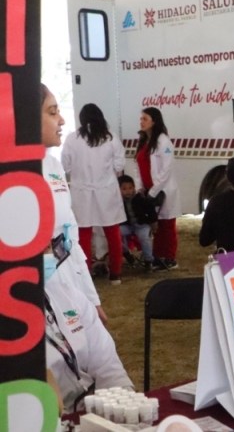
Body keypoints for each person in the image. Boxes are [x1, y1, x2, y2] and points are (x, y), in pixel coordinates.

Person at [40, 84, 107, 324]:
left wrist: (92, 298)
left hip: (71, 282)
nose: (62, 119)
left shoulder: (54, 165)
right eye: (52, 112)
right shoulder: (13, 177)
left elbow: (72, 240)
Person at [42, 252, 133, 413]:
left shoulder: (66, 293)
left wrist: (125, 406)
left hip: (92, 409)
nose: (50, 255)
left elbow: (107, 364)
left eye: (48, 246)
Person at [61, 103, 126, 284]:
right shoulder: (111, 138)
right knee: (112, 232)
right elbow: (119, 166)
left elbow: (65, 165)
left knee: (83, 234)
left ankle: (86, 275)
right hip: (106, 192)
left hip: (82, 192)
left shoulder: (72, 139)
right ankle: (115, 274)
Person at [134, 107, 181, 271]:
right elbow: (138, 166)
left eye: (145, 119)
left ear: (154, 121)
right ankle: (158, 257)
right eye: (141, 119)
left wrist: (154, 190)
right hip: (148, 189)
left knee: (167, 224)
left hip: (163, 189)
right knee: (157, 225)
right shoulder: (143, 141)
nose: (141, 122)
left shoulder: (163, 141)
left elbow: (166, 169)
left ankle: (170, 258)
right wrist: (140, 187)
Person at [117, 174, 156, 271]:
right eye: (124, 189)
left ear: (134, 188)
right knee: (116, 235)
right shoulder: (118, 201)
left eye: (130, 188)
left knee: (144, 237)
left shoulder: (140, 198)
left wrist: (153, 222)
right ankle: (126, 254)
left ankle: (148, 261)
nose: (128, 191)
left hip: (141, 225)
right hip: (127, 225)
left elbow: (151, 210)